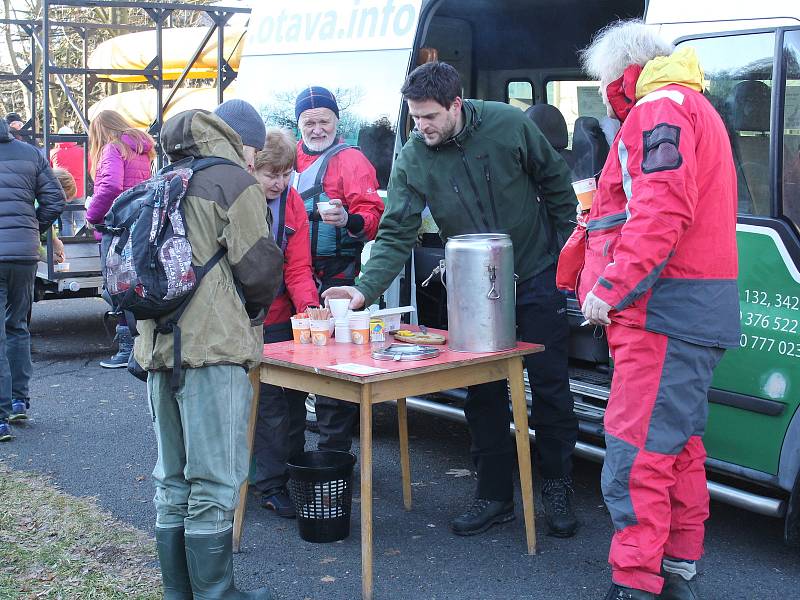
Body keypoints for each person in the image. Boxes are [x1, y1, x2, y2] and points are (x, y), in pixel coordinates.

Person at [323, 62, 580, 538]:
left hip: (535, 273)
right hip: (472, 289)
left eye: (430, 117)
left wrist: (566, 254)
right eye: (415, 118)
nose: (421, 128)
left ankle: (558, 488)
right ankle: (494, 494)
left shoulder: (509, 124)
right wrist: (363, 290)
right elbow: (397, 231)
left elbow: (557, 185)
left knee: (549, 389)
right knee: (482, 391)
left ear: (456, 104)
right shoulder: (413, 157)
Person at [577, 21, 739, 600]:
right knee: (676, 448)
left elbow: (659, 211)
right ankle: (676, 568)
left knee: (636, 452)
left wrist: (609, 288)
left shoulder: (658, 110)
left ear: (622, 70)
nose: (602, 91)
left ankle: (636, 582)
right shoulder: (694, 106)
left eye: (601, 79)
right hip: (695, 311)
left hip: (662, 312)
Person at [133, 107, 283, 599]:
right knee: (216, 481)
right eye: (254, 149)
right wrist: (253, 313)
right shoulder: (232, 181)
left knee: (172, 480)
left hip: (157, 348)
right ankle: (217, 594)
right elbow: (258, 269)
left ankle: (180, 593)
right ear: (241, 142)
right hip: (212, 349)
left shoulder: (164, 176)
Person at [293, 86, 384, 455]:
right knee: (292, 367)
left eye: (324, 121)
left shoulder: (352, 161)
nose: (317, 129)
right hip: (294, 275)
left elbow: (375, 217)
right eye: (309, 122)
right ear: (298, 124)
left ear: (337, 121)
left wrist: (349, 219)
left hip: (338, 278)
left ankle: (333, 459)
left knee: (334, 366)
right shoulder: (289, 158)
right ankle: (291, 457)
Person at [251, 127, 319, 518]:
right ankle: (270, 484)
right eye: (270, 175)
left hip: (284, 317)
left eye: (285, 174)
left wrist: (309, 310)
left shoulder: (292, 202)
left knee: (294, 400)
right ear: (253, 170)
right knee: (270, 407)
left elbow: (298, 266)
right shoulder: (240, 200)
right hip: (250, 318)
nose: (278, 183)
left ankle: (292, 474)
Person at [0, 116, 64, 441]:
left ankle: (0, 419)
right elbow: (56, 200)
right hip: (23, 255)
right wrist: (32, 230)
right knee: (17, 326)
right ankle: (18, 400)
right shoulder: (30, 154)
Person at [85, 110, 155, 369]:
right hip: (138, 225)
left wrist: (93, 215)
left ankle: (127, 350)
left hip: (115, 227)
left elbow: (110, 187)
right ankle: (141, 346)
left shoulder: (112, 149)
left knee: (117, 288)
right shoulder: (140, 148)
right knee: (135, 285)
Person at [50, 126, 87, 236]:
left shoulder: (53, 153)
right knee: (81, 221)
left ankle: (67, 244)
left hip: (62, 191)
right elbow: (90, 168)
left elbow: (49, 171)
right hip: (79, 190)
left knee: (66, 222)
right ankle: (81, 244)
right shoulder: (82, 152)